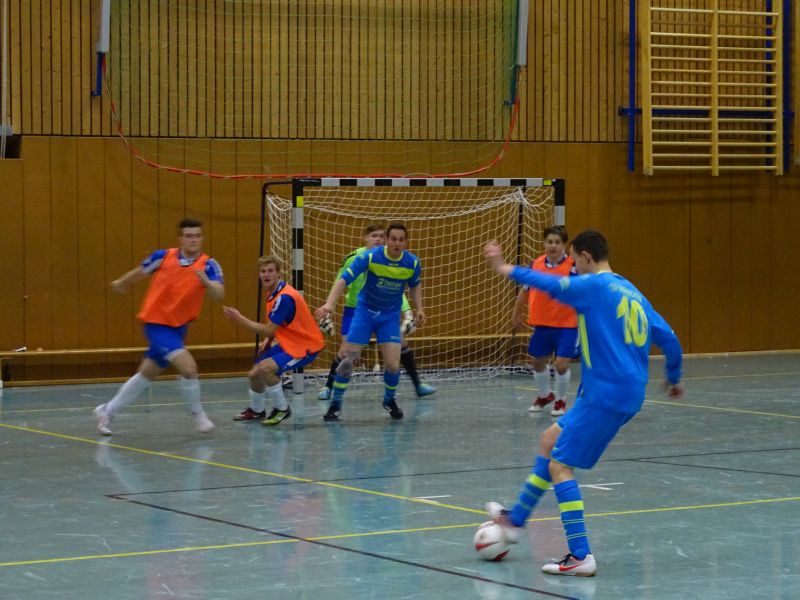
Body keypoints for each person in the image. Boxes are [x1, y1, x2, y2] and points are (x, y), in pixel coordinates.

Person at [483, 230, 684, 577]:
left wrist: (504, 267)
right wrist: (674, 377)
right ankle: (515, 521)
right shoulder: (631, 291)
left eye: (575, 259)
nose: (573, 266)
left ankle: (580, 555)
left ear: (587, 257)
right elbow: (669, 338)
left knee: (561, 466)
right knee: (549, 441)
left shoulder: (594, 287)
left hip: (607, 394)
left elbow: (548, 283)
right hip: (617, 391)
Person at [93, 218, 225, 435]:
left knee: (148, 373)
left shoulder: (209, 265)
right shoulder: (163, 257)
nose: (193, 240)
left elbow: (219, 293)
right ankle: (197, 414)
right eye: (189, 236)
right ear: (180, 238)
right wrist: (121, 283)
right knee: (189, 369)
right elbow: (140, 271)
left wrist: (208, 283)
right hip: (156, 324)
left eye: (197, 236)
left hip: (179, 326)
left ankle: (106, 410)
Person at [315, 222, 425, 422]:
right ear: (387, 240)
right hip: (364, 313)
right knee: (348, 359)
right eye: (393, 239)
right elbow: (343, 280)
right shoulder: (370, 257)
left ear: (406, 242)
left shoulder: (412, 263)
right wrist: (329, 304)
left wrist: (419, 308)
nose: (397, 243)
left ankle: (389, 400)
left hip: (389, 317)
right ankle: (336, 404)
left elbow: (415, 285)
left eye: (401, 240)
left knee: (392, 365)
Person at [224, 255, 325, 426]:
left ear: (279, 273)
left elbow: (270, 327)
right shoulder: (273, 293)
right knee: (254, 374)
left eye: (270, 271)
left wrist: (239, 318)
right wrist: (268, 339)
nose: (266, 274)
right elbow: (277, 325)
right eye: (263, 271)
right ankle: (257, 411)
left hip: (305, 347)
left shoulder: (284, 298)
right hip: (289, 342)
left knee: (265, 369)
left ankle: (282, 409)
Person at [511, 225, 578, 416]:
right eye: (550, 241)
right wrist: (516, 313)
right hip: (542, 324)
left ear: (564, 245)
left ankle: (561, 401)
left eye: (557, 242)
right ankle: (544, 395)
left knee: (561, 364)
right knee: (538, 362)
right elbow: (524, 291)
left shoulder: (573, 267)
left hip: (567, 324)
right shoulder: (535, 265)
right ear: (544, 243)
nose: (553, 246)